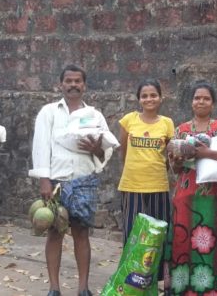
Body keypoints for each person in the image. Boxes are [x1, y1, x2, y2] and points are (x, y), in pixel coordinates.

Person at [30, 65, 115, 296]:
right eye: (69, 81)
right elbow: (40, 147)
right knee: (54, 232)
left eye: (78, 81)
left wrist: (97, 149)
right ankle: (54, 288)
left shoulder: (94, 115)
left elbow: (105, 152)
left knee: (81, 233)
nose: (73, 85)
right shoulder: (49, 112)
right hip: (56, 181)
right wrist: (44, 181)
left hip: (84, 180)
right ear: (61, 84)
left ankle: (83, 288)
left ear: (84, 85)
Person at [166, 82, 217, 295]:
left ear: (213, 103)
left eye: (206, 98)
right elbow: (176, 168)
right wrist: (179, 157)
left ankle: (213, 290)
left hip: (214, 198)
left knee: (213, 241)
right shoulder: (181, 129)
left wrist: (205, 153)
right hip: (185, 197)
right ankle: (182, 288)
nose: (201, 102)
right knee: (183, 240)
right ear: (191, 102)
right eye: (197, 98)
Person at [117, 79, 175, 281]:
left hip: (158, 185)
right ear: (138, 99)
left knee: (158, 235)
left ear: (161, 98)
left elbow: (169, 157)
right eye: (144, 96)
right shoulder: (128, 120)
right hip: (132, 185)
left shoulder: (167, 123)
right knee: (133, 234)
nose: (149, 99)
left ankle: (154, 281)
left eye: (153, 95)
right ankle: (130, 280)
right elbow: (123, 152)